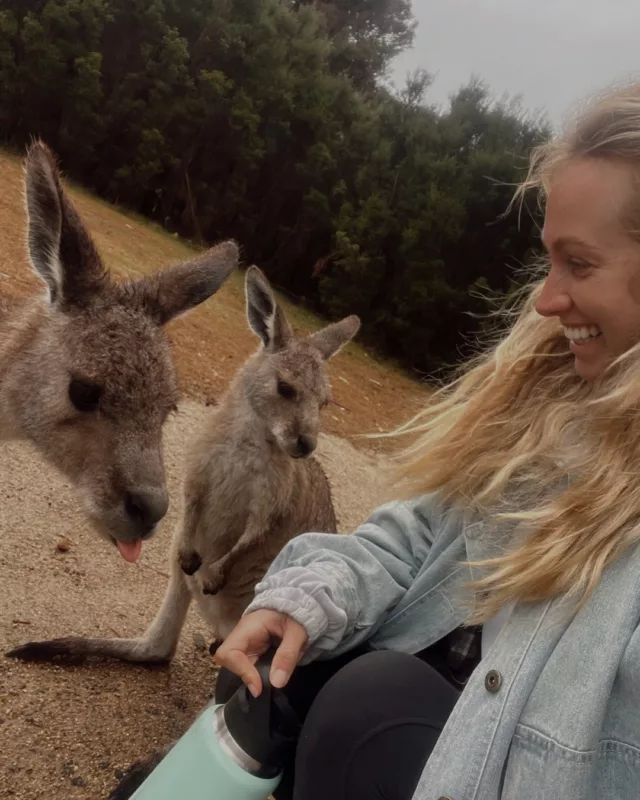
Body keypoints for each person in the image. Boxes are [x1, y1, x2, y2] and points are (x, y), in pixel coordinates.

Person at [214, 82, 640, 800]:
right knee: (266, 669)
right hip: (413, 699)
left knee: (368, 706)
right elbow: (418, 538)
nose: (544, 299)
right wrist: (309, 598)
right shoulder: (546, 403)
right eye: (549, 260)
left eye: (580, 264)